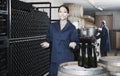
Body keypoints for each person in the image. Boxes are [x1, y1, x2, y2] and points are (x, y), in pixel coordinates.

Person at [40, 5, 79, 76]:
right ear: (58, 13)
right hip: (55, 59)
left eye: (65, 12)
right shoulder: (52, 26)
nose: (62, 14)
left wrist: (74, 44)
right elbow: (49, 40)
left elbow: (77, 44)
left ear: (68, 14)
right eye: (60, 12)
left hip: (67, 60)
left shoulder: (72, 28)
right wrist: (47, 43)